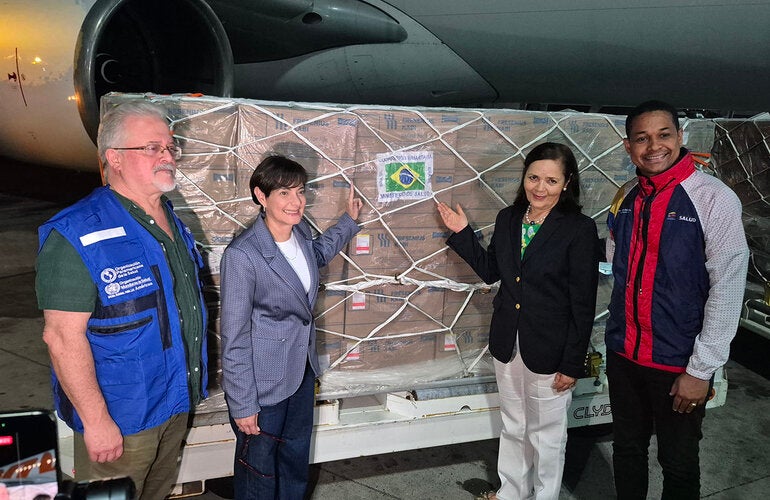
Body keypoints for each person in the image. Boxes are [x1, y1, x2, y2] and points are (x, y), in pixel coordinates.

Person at [35, 100, 208, 498]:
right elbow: (61, 338)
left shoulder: (172, 222)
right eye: (152, 147)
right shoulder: (76, 233)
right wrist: (96, 422)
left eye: (170, 146)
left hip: (174, 403)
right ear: (114, 157)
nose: (167, 156)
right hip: (122, 418)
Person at [437, 142, 599, 500]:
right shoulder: (508, 219)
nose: (540, 188)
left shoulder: (578, 229)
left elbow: (582, 304)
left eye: (551, 181)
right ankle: (511, 492)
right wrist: (464, 233)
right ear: (524, 177)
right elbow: (493, 271)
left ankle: (544, 496)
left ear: (567, 183)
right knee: (514, 425)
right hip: (508, 343)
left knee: (547, 433)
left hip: (550, 350)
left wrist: (572, 363)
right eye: (534, 177)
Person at [605, 100, 750, 499]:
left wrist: (702, 370)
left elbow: (728, 288)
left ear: (680, 137)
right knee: (627, 450)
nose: (654, 146)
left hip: (678, 364)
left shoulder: (712, 199)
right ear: (628, 146)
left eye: (664, 134)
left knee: (679, 463)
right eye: (642, 138)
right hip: (624, 356)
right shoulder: (628, 197)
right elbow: (614, 263)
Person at [220, 154, 362, 499]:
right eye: (283, 193)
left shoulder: (299, 233)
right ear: (261, 196)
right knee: (259, 468)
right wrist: (242, 404)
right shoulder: (243, 255)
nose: (295, 202)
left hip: (300, 372)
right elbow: (233, 337)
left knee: (295, 460)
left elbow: (317, 254)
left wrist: (348, 222)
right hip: (263, 385)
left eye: (299, 191)